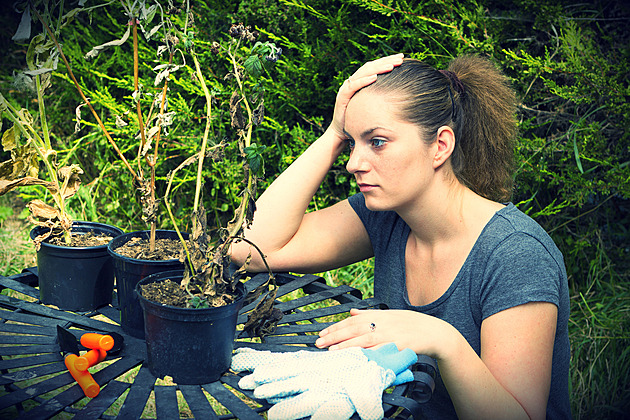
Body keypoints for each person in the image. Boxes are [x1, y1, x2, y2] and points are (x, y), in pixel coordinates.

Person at [231, 53, 571, 419]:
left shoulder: (516, 255)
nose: (353, 163)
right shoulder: (387, 216)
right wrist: (332, 133)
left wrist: (443, 340)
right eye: (351, 143)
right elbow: (251, 249)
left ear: (440, 145)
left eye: (377, 142)